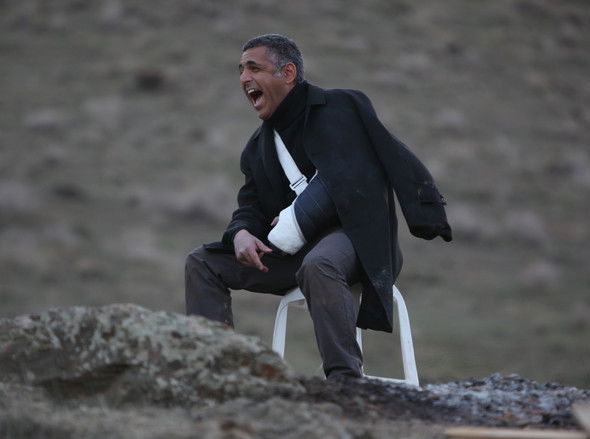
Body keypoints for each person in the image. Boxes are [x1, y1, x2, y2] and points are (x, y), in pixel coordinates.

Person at [185, 34, 451, 381]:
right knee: (202, 262)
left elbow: (372, 165)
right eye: (240, 70)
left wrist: (427, 214)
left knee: (320, 263)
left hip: (355, 238)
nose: (244, 78)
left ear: (288, 73)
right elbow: (250, 205)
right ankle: (215, 377)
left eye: (254, 68)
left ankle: (345, 381)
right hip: (295, 253)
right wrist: (241, 234)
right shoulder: (257, 147)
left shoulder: (341, 107)